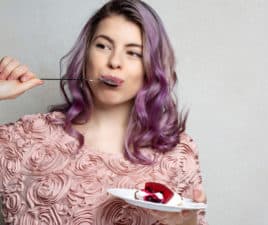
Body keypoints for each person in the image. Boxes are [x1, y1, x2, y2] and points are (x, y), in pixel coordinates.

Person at [0, 0, 207, 224]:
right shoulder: (25, 138)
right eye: (103, 46)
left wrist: (187, 223)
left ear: (151, 67)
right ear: (85, 54)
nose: (114, 62)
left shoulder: (176, 156)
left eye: (134, 53)